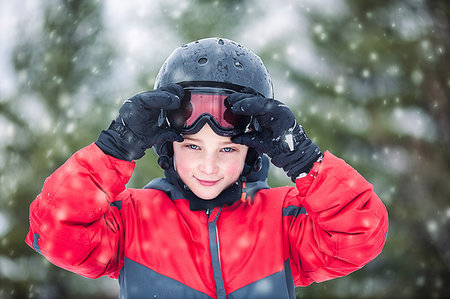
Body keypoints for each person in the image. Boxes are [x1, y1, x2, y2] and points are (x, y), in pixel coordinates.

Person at [26, 37, 388, 298]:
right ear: (168, 144)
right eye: (193, 146)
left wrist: (304, 160)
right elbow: (56, 233)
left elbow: (359, 237)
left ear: (252, 150)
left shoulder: (283, 221)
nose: (209, 166)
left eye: (228, 148)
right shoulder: (131, 221)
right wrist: (113, 150)